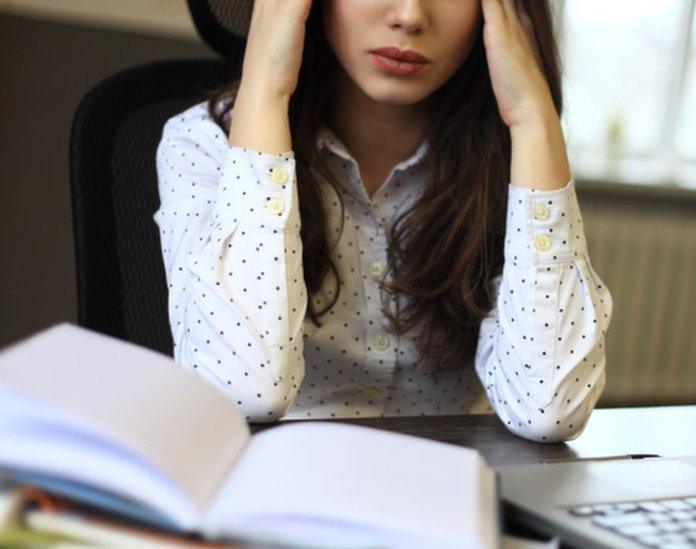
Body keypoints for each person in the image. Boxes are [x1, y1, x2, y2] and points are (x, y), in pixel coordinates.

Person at [153, 0, 612, 443]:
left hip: (441, 493)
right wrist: (266, 88)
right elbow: (245, 392)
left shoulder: (514, 159)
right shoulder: (205, 141)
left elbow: (549, 411)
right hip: (272, 493)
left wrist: (534, 118)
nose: (410, 16)